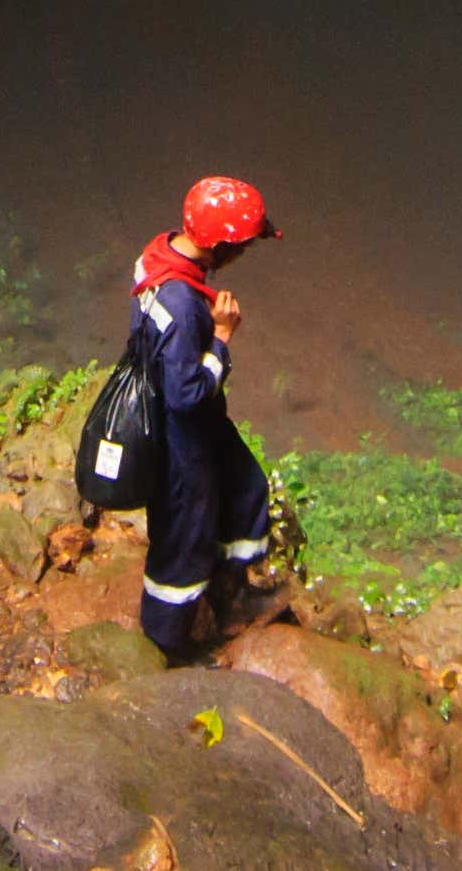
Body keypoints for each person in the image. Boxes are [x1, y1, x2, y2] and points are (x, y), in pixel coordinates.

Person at [128, 175, 281, 662]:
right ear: (222, 247)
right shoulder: (181, 304)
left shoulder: (160, 254)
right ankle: (167, 644)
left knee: (246, 488)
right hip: (180, 436)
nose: (244, 253)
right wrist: (221, 339)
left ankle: (227, 590)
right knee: (183, 537)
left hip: (198, 425)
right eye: (242, 245)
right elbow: (186, 395)